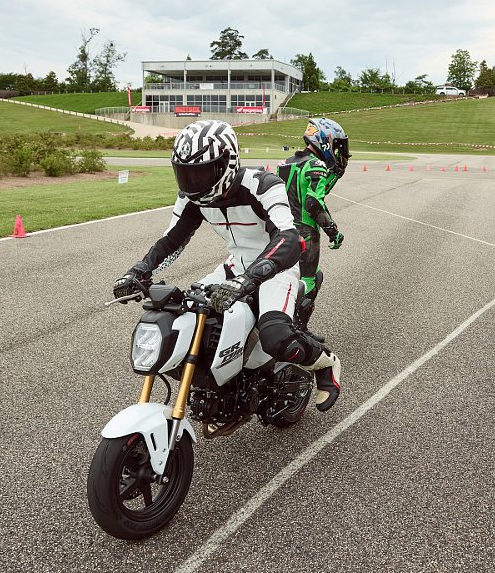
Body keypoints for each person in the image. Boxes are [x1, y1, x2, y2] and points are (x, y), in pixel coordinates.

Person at [112, 120, 342, 411]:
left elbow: (289, 238)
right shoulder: (192, 197)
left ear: (228, 163)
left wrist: (250, 279)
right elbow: (171, 241)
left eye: (201, 172)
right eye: (186, 174)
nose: (193, 182)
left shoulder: (262, 184)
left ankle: (324, 363)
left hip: (276, 269)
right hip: (234, 268)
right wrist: (139, 271)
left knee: (275, 337)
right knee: (187, 314)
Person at [276, 118, 350, 326]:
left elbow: (310, 194)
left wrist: (335, 175)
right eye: (336, 146)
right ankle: (298, 331)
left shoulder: (287, 163)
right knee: (310, 281)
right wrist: (333, 231)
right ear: (325, 141)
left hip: (282, 232)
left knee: (285, 280)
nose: (337, 152)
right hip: (305, 234)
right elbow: (313, 203)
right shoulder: (315, 165)